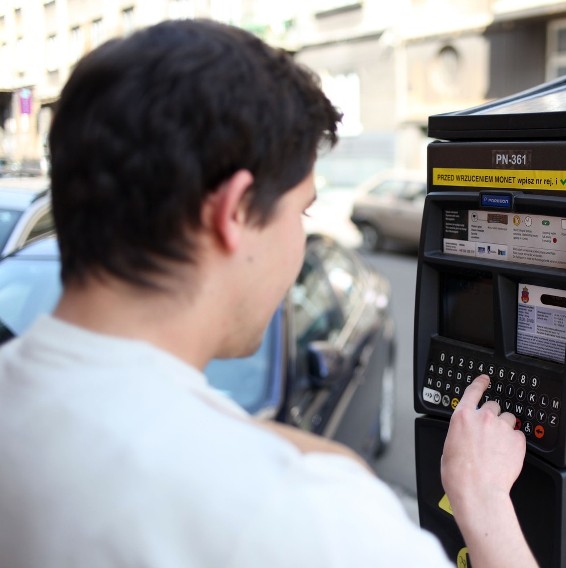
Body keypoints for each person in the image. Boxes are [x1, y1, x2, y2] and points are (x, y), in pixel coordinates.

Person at [0, 19, 537, 568]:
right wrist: (484, 499)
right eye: (301, 209)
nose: (301, 241)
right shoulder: (303, 516)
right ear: (234, 212)